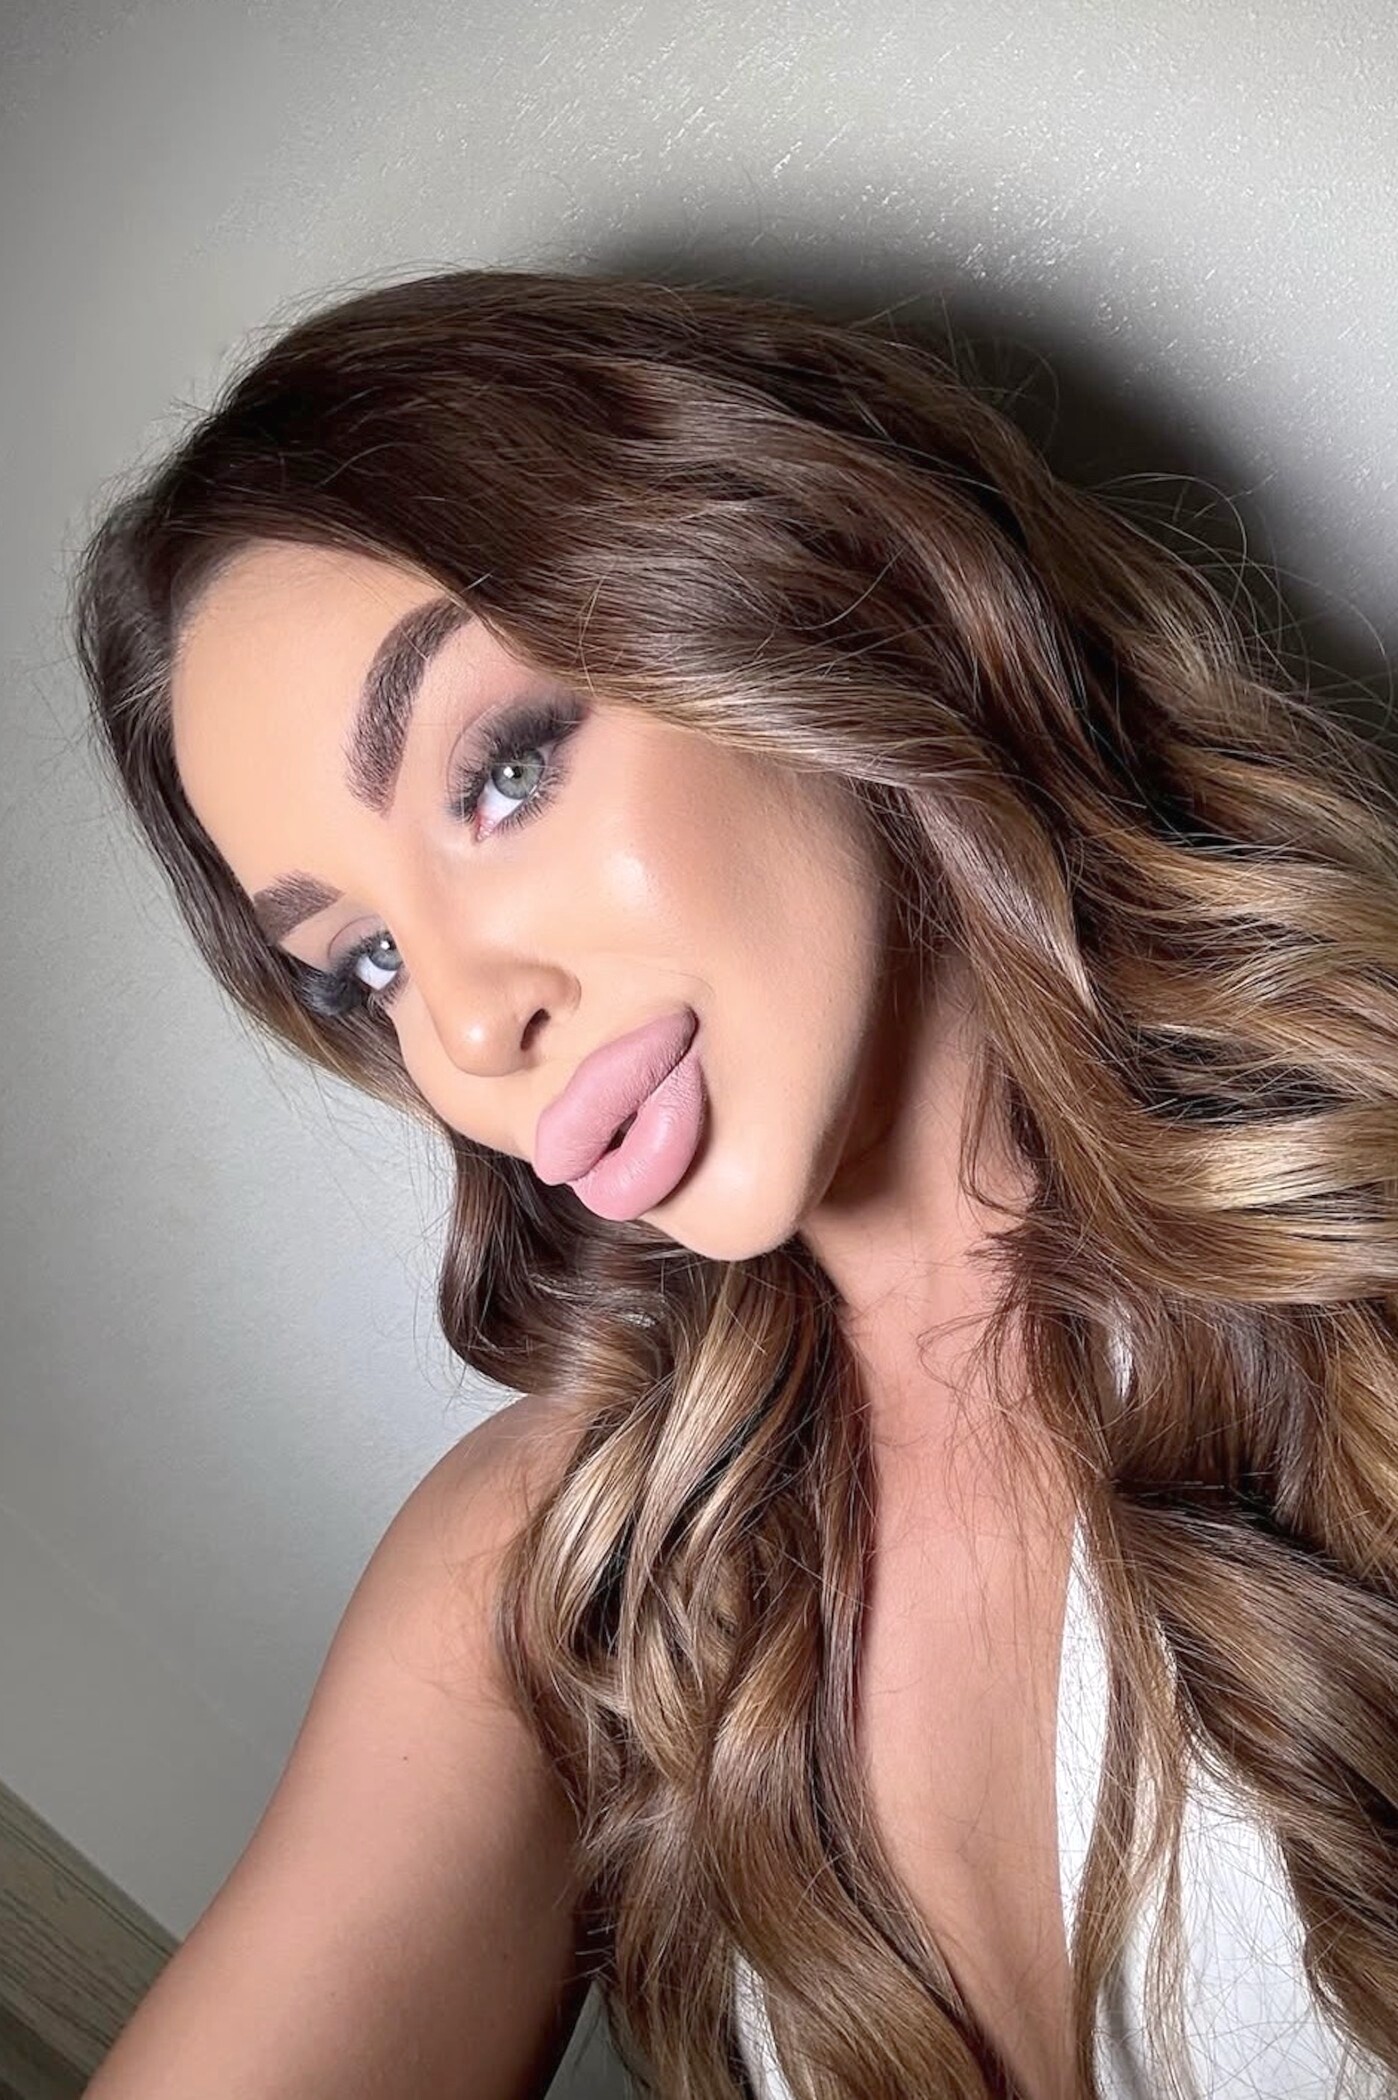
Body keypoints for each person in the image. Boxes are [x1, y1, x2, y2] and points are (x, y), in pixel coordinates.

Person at [70, 268, 1398, 2100]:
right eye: (362, 961)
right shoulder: (569, 1560)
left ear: (808, 597)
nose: (467, 1021)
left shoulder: (1354, 1226)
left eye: (500, 773)